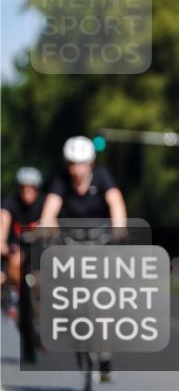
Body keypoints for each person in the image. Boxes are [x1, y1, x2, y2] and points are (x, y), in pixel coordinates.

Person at [40, 136, 127, 383]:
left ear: (91, 164)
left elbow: (116, 204)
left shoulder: (102, 178)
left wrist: (119, 230)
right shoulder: (61, 182)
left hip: (100, 243)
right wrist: (48, 232)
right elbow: (49, 212)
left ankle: (105, 357)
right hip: (71, 244)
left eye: (82, 164)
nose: (77, 169)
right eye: (73, 164)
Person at [1, 167, 45, 317]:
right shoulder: (10, 202)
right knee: (15, 261)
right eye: (24, 188)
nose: (27, 191)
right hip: (16, 248)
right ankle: (14, 293)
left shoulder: (44, 204)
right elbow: (3, 224)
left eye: (31, 188)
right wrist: (2, 243)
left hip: (38, 249)